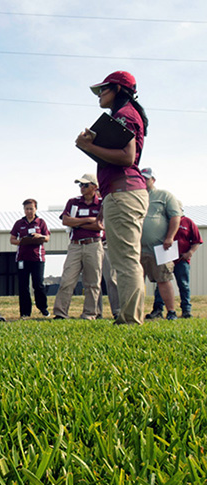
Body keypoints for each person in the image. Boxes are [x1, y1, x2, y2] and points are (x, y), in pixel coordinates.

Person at [76, 71, 149, 325]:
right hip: (122, 193)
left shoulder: (124, 115)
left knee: (126, 260)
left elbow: (127, 157)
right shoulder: (125, 114)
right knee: (125, 258)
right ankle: (131, 316)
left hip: (124, 192)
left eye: (103, 90)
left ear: (118, 89)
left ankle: (130, 320)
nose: (99, 95)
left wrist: (88, 146)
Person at [52, 174, 104, 320]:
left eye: (85, 185)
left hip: (93, 245)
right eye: (80, 185)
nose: (81, 188)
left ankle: (89, 313)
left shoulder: (102, 203)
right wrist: (88, 220)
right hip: (75, 246)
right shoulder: (73, 202)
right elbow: (66, 221)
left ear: (94, 187)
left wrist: (77, 222)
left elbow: (99, 225)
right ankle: (61, 313)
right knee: (67, 280)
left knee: (92, 282)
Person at [138, 168, 182, 321]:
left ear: (153, 180)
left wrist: (170, 237)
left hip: (160, 247)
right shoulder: (135, 196)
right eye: (141, 178)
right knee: (136, 281)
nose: (143, 181)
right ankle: (136, 313)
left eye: (146, 178)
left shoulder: (164, 195)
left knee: (163, 279)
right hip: (137, 248)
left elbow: (175, 216)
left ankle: (171, 312)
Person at [149, 210, 202, 319]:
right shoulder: (164, 222)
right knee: (162, 283)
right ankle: (158, 310)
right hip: (166, 258)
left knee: (184, 285)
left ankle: (186, 310)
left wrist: (190, 253)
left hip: (182, 259)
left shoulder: (188, 222)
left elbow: (197, 241)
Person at [10, 199, 51, 318]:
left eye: (31, 209)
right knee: (23, 286)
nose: (29, 211)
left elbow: (47, 238)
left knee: (38, 284)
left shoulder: (41, 222)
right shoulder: (19, 223)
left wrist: (40, 236)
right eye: (26, 209)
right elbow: (12, 239)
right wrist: (22, 242)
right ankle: (25, 312)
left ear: (35, 209)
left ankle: (43, 308)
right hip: (22, 257)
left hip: (37, 258)